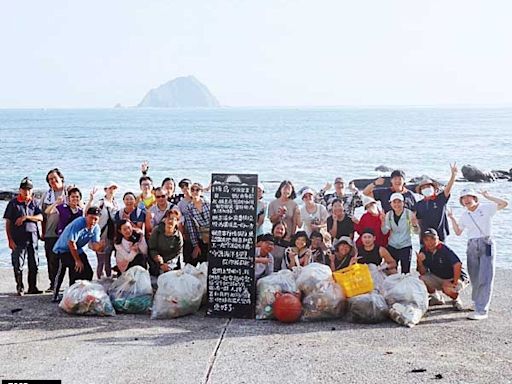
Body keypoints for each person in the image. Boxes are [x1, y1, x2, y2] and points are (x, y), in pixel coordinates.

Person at [448, 189, 508, 320]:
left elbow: (504, 203)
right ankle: (477, 303)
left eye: (469, 197)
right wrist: (452, 218)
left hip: (486, 242)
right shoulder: (465, 215)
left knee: (485, 276)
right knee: (474, 276)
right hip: (472, 245)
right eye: (463, 198)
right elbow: (458, 232)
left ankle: (482, 310)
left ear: (475, 198)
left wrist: (488, 196)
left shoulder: (486, 208)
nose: (467, 200)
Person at [52, 206, 105, 302]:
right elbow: (71, 243)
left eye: (95, 219)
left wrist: (100, 247)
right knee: (73, 268)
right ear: (86, 216)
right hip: (63, 249)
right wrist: (77, 260)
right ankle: (58, 295)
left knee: (88, 272)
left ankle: (82, 293)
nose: (93, 221)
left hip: (78, 249)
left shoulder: (96, 228)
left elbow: (94, 246)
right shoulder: (79, 223)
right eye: (91, 218)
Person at [3, 177, 43, 295]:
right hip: (18, 239)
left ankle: (33, 287)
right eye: (24, 189)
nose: (27, 192)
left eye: (29, 190)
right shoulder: (13, 203)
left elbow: (40, 217)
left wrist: (26, 217)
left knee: (34, 264)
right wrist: (10, 240)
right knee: (18, 264)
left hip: (33, 238)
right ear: (20, 190)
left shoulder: (34, 202)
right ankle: (20, 286)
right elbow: (8, 223)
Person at [416, 228, 465, 311]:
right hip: (438, 276)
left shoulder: (444, 249)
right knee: (421, 279)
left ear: (438, 239)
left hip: (454, 277)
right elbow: (422, 272)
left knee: (447, 288)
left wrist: (455, 282)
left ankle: (456, 299)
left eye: (433, 239)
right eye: (427, 239)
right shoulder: (423, 250)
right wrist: (419, 261)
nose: (430, 242)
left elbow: (457, 264)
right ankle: (436, 297)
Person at [414, 163, 457, 242]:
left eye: (428, 186)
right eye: (423, 187)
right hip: (425, 239)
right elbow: (418, 222)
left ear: (434, 188)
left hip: (440, 237)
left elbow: (448, 189)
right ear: (421, 191)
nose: (426, 188)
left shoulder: (440, 199)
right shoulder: (419, 204)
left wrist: (453, 176)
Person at [85, 182, 119, 278]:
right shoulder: (100, 203)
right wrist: (91, 200)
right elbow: (87, 213)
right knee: (101, 261)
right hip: (99, 236)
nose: (112, 191)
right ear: (105, 190)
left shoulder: (115, 203)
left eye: (114, 189)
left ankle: (107, 282)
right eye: (110, 188)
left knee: (108, 261)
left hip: (111, 236)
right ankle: (101, 282)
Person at [40, 168, 67, 291]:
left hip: (66, 233)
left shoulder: (68, 192)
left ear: (61, 178)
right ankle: (53, 284)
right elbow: (42, 215)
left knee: (67, 260)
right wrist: (42, 232)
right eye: (50, 179)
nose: (52, 181)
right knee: (51, 260)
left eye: (54, 178)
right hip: (50, 232)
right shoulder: (47, 195)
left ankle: (68, 284)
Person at [381, 193, 419, 274]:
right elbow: (385, 232)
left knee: (405, 271)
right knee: (390, 270)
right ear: (391, 204)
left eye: (399, 202)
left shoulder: (409, 214)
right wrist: (383, 222)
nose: (397, 204)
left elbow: (416, 232)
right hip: (392, 245)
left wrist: (415, 225)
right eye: (394, 202)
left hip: (406, 245)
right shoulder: (389, 214)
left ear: (403, 203)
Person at [148, 209, 184, 276]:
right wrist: (158, 259)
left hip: (170, 263)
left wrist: (168, 264)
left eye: (174, 219)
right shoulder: (156, 231)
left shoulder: (178, 237)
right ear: (165, 220)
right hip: (156, 260)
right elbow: (152, 248)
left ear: (177, 222)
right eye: (169, 218)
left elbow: (177, 253)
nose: (170, 221)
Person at [185, 182, 210, 265]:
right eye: (192, 190)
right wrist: (196, 245)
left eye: (197, 190)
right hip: (201, 237)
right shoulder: (189, 208)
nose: (195, 192)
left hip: (213, 235)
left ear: (201, 191)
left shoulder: (208, 204)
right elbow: (191, 228)